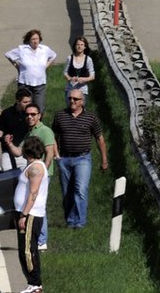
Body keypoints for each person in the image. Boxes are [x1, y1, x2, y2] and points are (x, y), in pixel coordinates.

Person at [52, 89, 108, 229]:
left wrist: (104, 160)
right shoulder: (60, 116)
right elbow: (54, 136)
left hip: (82, 158)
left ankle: (80, 222)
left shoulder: (91, 117)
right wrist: (56, 154)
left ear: (82, 101)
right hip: (64, 158)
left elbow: (99, 138)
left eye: (76, 99)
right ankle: (70, 221)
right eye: (70, 98)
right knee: (67, 192)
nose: (72, 101)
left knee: (81, 190)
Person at [6, 103, 56, 250]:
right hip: (34, 174)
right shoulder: (29, 133)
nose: (30, 117)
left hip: (39, 176)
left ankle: (41, 240)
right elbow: (19, 152)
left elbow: (50, 153)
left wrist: (42, 172)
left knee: (39, 207)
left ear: (39, 115)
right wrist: (9, 144)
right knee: (34, 205)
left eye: (33, 114)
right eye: (27, 114)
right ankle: (37, 239)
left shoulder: (45, 131)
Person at [13, 136, 49, 293]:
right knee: (24, 249)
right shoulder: (32, 166)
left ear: (28, 150)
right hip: (26, 213)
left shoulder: (37, 168)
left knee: (27, 249)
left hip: (31, 214)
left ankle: (35, 284)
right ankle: (32, 282)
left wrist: (24, 215)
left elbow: (33, 194)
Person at [6, 29, 57, 113]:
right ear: (29, 40)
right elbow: (8, 54)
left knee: (39, 108)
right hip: (25, 84)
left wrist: (45, 66)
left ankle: (37, 124)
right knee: (24, 108)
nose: (35, 41)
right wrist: (17, 66)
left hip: (40, 84)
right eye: (33, 39)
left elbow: (53, 55)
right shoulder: (22, 49)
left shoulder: (44, 49)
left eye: (37, 39)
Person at [0, 88, 34, 170]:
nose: (28, 104)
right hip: (7, 153)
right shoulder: (7, 114)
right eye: (25, 102)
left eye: (29, 102)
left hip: (25, 153)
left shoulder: (31, 115)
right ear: (17, 101)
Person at [63, 36, 95, 103]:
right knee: (70, 109)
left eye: (82, 45)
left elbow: (92, 76)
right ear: (75, 46)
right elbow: (65, 73)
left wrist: (84, 79)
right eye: (77, 44)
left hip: (82, 89)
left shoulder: (88, 60)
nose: (79, 47)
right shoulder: (70, 58)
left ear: (85, 47)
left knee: (81, 109)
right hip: (70, 89)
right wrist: (70, 78)